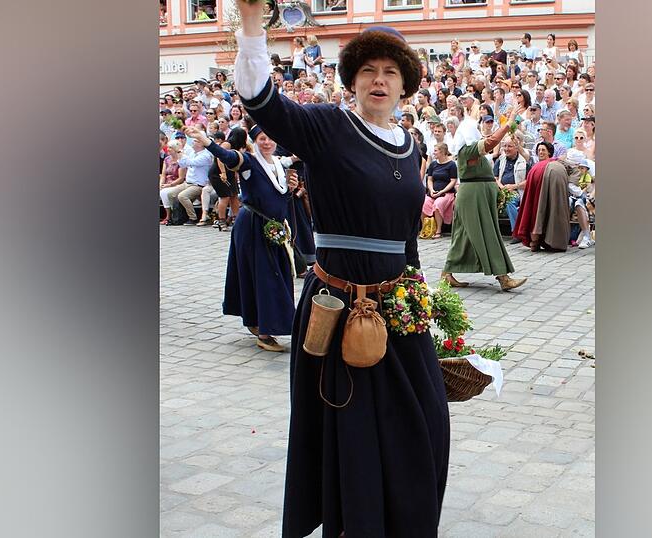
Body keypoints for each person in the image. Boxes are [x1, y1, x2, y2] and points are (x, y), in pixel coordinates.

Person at [231, 4, 449, 535]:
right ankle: (357, 523)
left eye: (391, 72)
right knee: (353, 428)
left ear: (405, 85)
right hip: (339, 309)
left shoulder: (410, 144)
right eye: (369, 70)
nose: (379, 80)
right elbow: (262, 100)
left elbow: (404, 239)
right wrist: (252, 22)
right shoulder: (329, 128)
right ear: (353, 80)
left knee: (428, 421)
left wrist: (429, 306)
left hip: (397, 305)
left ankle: (402, 521)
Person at [185, 123, 298, 352]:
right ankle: (265, 332)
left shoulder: (276, 164)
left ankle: (258, 321)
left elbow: (277, 200)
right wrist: (207, 141)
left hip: (273, 227)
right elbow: (227, 156)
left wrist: (291, 190)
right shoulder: (249, 162)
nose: (267, 142)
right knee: (266, 276)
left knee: (272, 273)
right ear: (254, 141)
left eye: (270, 138)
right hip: (254, 225)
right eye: (262, 139)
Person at [440, 102, 529, 292]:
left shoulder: (469, 148)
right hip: (473, 197)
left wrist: (505, 121)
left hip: (476, 196)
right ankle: (503, 277)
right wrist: (508, 123)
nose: (480, 133)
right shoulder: (467, 150)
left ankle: (447, 273)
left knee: (463, 236)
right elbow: (490, 142)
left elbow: (489, 139)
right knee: (488, 234)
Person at [511, 141, 556, 247]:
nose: (540, 152)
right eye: (539, 150)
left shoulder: (553, 165)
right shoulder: (534, 164)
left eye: (543, 150)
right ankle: (534, 241)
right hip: (534, 196)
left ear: (549, 152)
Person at [493, 132, 531, 238]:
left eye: (509, 146)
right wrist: (502, 187)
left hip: (516, 191)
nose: (506, 148)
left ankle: (516, 232)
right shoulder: (500, 160)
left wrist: (513, 186)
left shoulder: (524, 162)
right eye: (504, 146)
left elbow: (528, 181)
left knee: (510, 202)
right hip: (501, 190)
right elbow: (494, 178)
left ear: (516, 147)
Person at [209, 128, 244, 231]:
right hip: (218, 172)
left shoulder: (236, 147)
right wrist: (223, 173)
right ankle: (222, 220)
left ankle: (236, 219)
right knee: (225, 197)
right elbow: (219, 158)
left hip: (230, 173)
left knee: (234, 196)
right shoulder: (227, 144)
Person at [421, 142, 458, 240]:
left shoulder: (451, 165)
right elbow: (429, 179)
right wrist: (432, 190)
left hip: (446, 193)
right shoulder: (433, 164)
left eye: (436, 151)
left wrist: (441, 191)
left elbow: (453, 181)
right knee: (424, 203)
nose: (434, 153)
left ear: (442, 152)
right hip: (433, 192)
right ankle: (426, 227)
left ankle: (438, 229)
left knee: (438, 204)